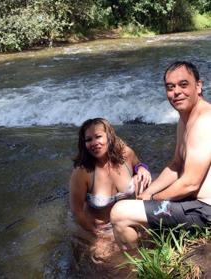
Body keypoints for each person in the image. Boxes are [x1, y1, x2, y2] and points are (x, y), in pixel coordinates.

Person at [110, 61, 211, 250]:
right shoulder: (186, 118)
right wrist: (149, 192)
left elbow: (190, 183)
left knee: (119, 213)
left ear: (198, 86)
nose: (176, 92)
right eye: (170, 87)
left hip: (205, 212)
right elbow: (176, 164)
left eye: (183, 84)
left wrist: (155, 198)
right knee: (143, 188)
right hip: (196, 204)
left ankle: (134, 268)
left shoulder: (205, 121)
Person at [69, 118, 151, 259]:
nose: (94, 143)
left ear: (109, 136)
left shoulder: (126, 154)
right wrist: (97, 235)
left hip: (127, 219)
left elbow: (138, 165)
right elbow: (77, 211)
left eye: (98, 136)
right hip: (100, 229)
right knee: (108, 262)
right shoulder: (82, 172)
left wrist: (143, 169)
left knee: (149, 248)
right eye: (88, 139)